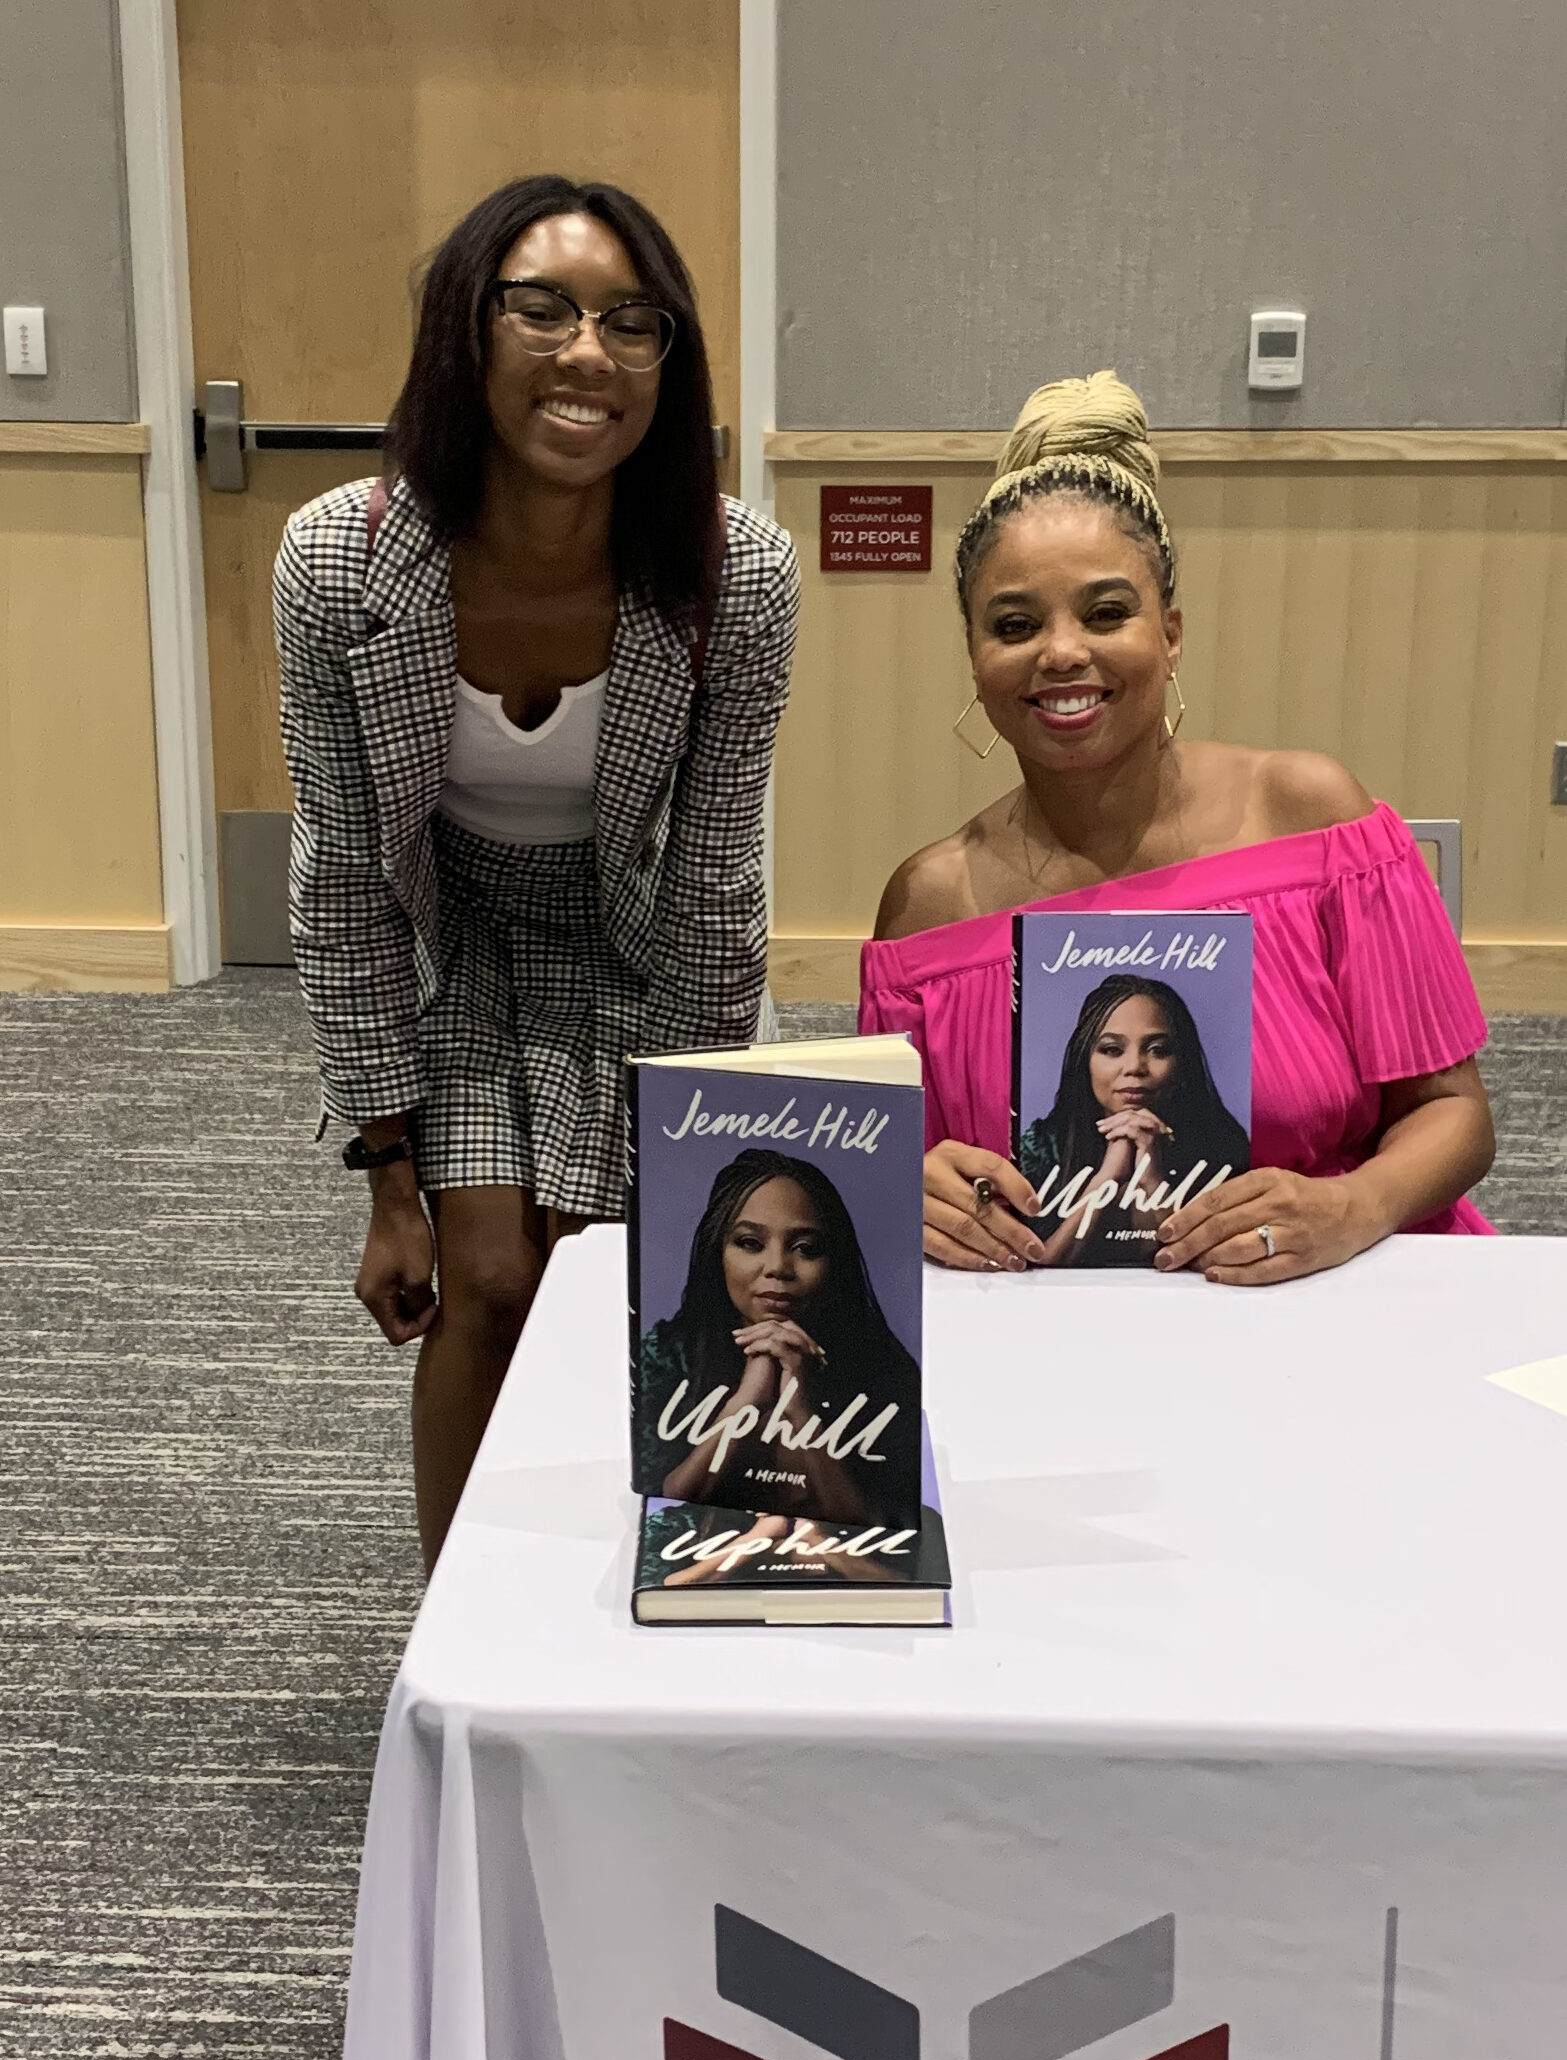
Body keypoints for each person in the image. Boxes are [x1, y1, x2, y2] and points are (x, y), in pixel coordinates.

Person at [275, 176, 799, 1568]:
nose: (588, 353)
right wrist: (390, 1176)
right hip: (451, 934)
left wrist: (693, 1156)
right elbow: (342, 885)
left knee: (598, 1269)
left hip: (633, 942)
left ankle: (630, 1605)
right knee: (489, 1275)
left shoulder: (730, 572)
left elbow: (711, 882)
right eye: (542, 310)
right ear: (466, 332)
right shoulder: (339, 561)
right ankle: (458, 1639)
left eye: (634, 323)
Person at [861, 371, 1495, 1286]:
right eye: (1014, 623)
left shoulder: (1310, 816)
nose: (1062, 651)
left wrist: (1352, 1205)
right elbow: (886, 1179)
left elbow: (1455, 1114)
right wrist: (908, 1187)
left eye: (1107, 612)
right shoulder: (928, 907)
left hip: (1327, 1298)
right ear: (974, 655)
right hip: (1049, 1345)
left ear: (1171, 631)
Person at [637, 1149, 921, 1524]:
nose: (777, 1268)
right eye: (750, 1243)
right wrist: (745, 1402)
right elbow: (662, 1506)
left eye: (805, 1249)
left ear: (835, 1261)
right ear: (716, 1249)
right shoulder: (669, 1353)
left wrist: (799, 1403)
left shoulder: (884, 1368)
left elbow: (877, 1529)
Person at [1018, 973, 1251, 1266]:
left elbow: (1198, 1266)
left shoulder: (1222, 1145)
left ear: (1182, 1062)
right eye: (1112, 1050)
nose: (1134, 1067)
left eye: (1158, 1050)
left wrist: (1151, 1177)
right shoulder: (1041, 1146)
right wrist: (1106, 1178)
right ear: (1084, 1060)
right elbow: (1037, 1266)